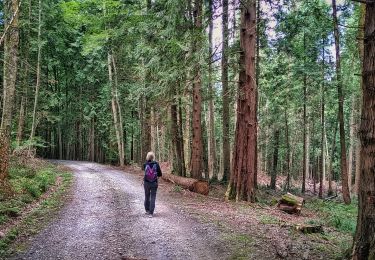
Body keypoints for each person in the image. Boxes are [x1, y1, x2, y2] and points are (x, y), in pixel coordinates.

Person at [143, 151, 162, 218]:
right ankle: (151, 213)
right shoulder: (156, 164)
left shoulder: (145, 164)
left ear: (147, 157)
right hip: (154, 183)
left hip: (146, 183)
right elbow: (160, 174)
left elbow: (144, 172)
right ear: (153, 157)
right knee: (153, 197)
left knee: (147, 196)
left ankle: (147, 210)